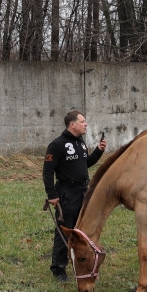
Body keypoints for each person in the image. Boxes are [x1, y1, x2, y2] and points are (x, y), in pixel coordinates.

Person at [42, 110, 107, 282]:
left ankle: (79, 261)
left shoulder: (80, 142)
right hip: (66, 194)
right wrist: (52, 195)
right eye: (82, 121)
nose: (85, 124)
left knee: (80, 232)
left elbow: (85, 164)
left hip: (82, 192)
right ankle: (58, 268)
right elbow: (47, 171)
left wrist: (98, 152)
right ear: (73, 124)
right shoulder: (57, 145)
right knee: (65, 231)